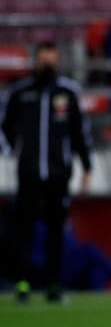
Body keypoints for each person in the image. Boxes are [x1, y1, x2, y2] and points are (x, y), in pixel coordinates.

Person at [0, 41, 93, 303]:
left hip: (57, 173)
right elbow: (5, 130)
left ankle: (54, 286)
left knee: (56, 233)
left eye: (52, 59)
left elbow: (79, 133)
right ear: (35, 61)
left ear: (57, 61)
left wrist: (86, 166)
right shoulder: (20, 93)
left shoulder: (67, 92)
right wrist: (13, 153)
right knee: (24, 232)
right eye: (43, 59)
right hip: (28, 173)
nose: (47, 64)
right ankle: (22, 285)